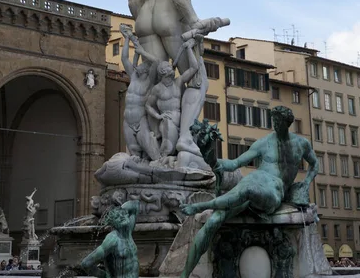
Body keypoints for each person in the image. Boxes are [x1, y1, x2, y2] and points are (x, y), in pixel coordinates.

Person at [128, 0, 229, 158]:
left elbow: (132, 2)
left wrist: (145, 24)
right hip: (170, 17)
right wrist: (194, 20)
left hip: (144, 21)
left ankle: (149, 152)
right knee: (196, 78)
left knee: (152, 86)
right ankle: (183, 139)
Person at [179, 106, 319, 278]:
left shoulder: (301, 144)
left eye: (279, 121)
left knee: (247, 190)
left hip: (274, 189)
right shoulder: (263, 143)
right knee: (213, 221)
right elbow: (234, 164)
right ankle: (184, 274)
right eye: (273, 120)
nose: (275, 124)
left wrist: (306, 183)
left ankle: (200, 206)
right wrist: (209, 154)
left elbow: (315, 164)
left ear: (287, 123)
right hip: (254, 180)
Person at [145, 38, 200, 158]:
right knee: (169, 149)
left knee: (187, 146)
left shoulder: (178, 82)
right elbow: (148, 105)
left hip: (181, 120)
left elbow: (194, 68)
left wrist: (189, 49)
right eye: (169, 67)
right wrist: (158, 116)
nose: (171, 68)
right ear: (163, 71)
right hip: (167, 120)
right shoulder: (157, 89)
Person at [120, 24, 161, 160]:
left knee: (151, 150)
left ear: (146, 69)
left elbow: (156, 61)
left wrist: (142, 52)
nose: (138, 66)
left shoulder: (149, 81)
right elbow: (124, 58)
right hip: (127, 120)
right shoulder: (133, 76)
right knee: (133, 153)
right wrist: (126, 39)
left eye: (142, 65)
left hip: (140, 120)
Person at [81, 201, 139, 278]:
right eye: (117, 217)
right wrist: (104, 276)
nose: (121, 217)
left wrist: (119, 210)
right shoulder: (112, 239)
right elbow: (86, 263)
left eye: (122, 214)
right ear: (112, 222)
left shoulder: (128, 231)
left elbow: (135, 204)